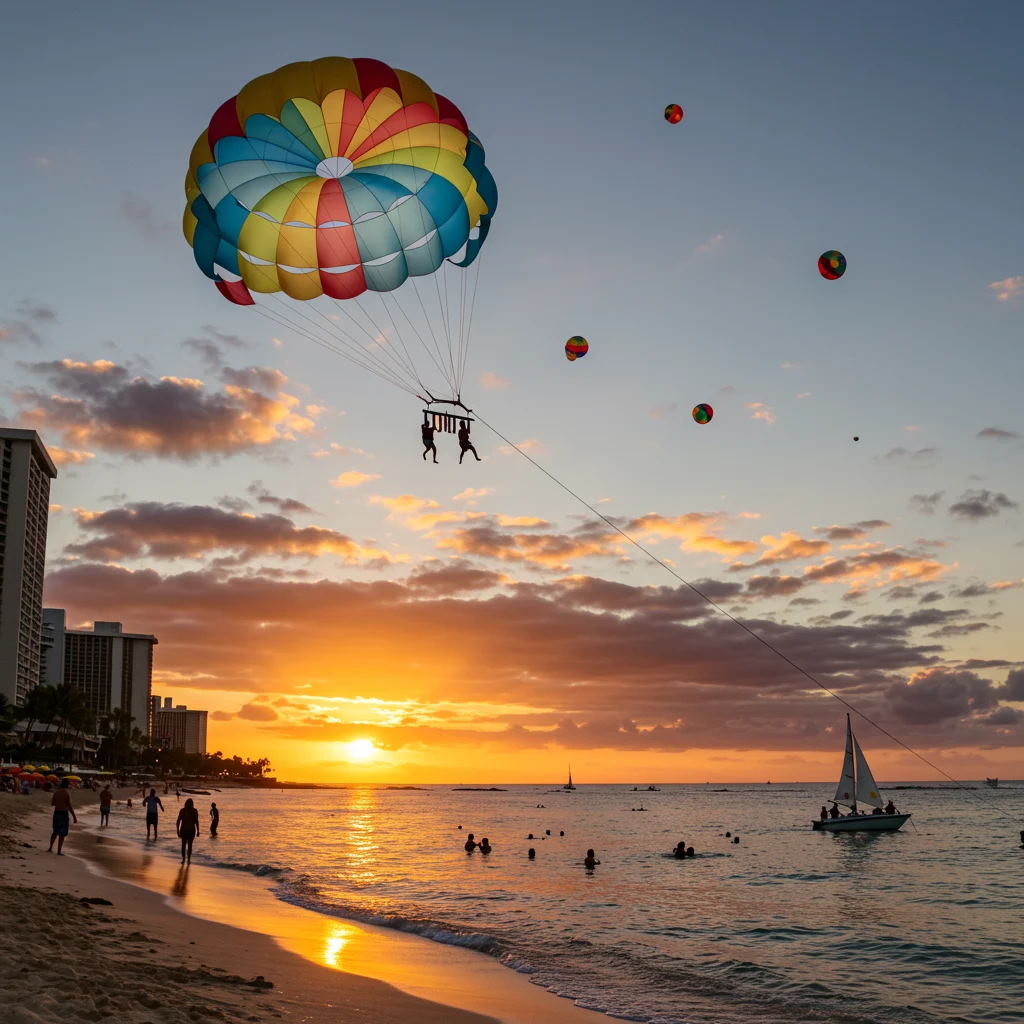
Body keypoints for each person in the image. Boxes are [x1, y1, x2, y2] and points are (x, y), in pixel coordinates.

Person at [48, 780, 77, 854]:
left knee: (55, 832)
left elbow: (52, 803)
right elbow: (69, 806)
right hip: (63, 814)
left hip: (56, 813)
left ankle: (50, 847)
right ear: (67, 785)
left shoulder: (56, 793)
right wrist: (74, 816)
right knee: (62, 833)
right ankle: (59, 851)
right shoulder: (66, 794)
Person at [176, 798, 200, 864]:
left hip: (184, 830)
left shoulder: (182, 810)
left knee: (183, 845)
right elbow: (196, 822)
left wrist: (177, 830)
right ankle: (188, 859)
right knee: (190, 845)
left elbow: (178, 821)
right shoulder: (194, 811)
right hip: (191, 830)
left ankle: (184, 859)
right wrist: (198, 830)